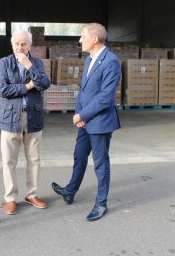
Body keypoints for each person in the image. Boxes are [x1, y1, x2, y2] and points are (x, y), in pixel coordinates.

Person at [51, 23, 121, 221]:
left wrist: (82, 116)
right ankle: (70, 191)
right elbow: (83, 91)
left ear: (95, 39)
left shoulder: (111, 62)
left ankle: (101, 203)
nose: (80, 40)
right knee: (79, 156)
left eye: (83, 36)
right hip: (85, 120)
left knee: (100, 163)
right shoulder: (90, 59)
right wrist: (79, 114)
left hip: (100, 122)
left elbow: (105, 97)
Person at [0, 30, 51, 215]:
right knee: (8, 160)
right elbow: (2, 89)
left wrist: (29, 66)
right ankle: (10, 198)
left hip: (33, 116)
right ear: (12, 45)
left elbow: (44, 84)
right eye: (16, 44)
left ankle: (31, 194)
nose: (19, 47)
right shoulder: (4, 63)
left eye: (24, 44)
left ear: (30, 45)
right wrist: (27, 86)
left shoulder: (37, 63)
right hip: (10, 117)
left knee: (34, 159)